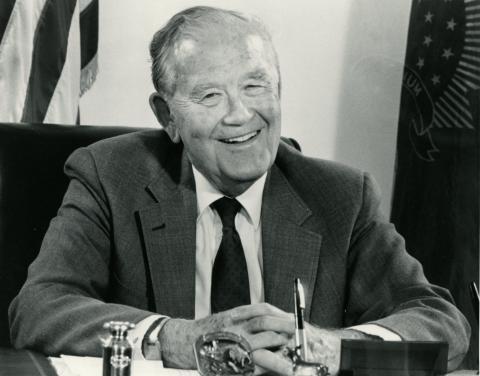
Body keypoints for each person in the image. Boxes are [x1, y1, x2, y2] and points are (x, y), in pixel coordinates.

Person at [9, 6, 470, 375]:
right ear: (167, 116)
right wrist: (179, 338)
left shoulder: (342, 197)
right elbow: (39, 309)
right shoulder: (111, 176)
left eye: (255, 86)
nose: (240, 115)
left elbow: (442, 325)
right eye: (210, 95)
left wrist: (332, 347)